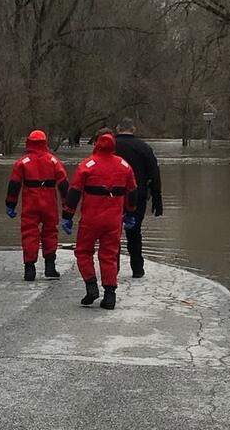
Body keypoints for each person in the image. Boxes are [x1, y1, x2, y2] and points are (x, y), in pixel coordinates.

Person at [62, 131, 137, 309]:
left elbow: (74, 192)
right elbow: (132, 191)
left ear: (96, 144)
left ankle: (91, 285)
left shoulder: (87, 165)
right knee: (109, 255)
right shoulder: (124, 165)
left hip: (91, 219)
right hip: (113, 220)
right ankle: (110, 295)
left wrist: (67, 215)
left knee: (83, 252)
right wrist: (131, 213)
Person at [5, 129, 69, 281]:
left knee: (29, 234)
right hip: (49, 203)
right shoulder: (53, 161)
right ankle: (50, 267)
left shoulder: (23, 162)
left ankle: (29, 269)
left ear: (29, 142)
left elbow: (14, 185)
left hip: (30, 203)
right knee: (51, 232)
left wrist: (10, 204)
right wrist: (67, 207)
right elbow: (64, 185)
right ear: (44, 143)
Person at [114, 119, 163, 278]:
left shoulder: (110, 146)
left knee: (112, 233)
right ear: (133, 129)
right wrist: (157, 200)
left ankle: (113, 268)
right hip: (138, 195)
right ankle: (137, 268)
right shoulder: (144, 148)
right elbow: (155, 175)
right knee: (134, 232)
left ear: (118, 128)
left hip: (112, 196)